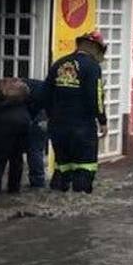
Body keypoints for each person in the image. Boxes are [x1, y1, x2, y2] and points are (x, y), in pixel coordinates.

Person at [44, 31, 107, 193]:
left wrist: (53, 118)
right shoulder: (92, 67)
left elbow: (46, 94)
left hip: (58, 127)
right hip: (82, 128)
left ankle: (55, 201)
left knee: (62, 167)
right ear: (94, 48)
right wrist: (102, 121)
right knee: (85, 168)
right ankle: (81, 212)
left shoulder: (59, 64)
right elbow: (96, 96)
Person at [23, 78, 49, 188]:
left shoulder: (24, 89)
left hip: (42, 115)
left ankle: (37, 181)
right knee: (37, 148)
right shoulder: (39, 87)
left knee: (35, 149)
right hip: (47, 115)